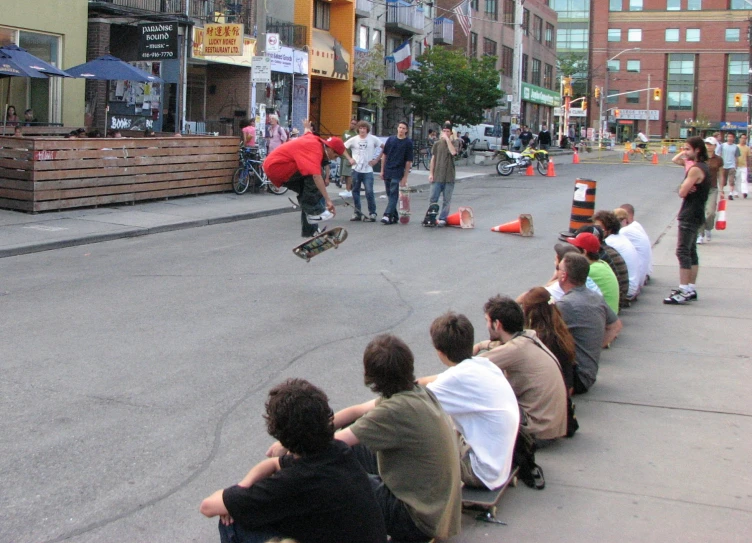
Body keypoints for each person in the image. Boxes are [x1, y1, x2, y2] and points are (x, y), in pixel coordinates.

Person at [276, 335, 461, 542]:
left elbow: (328, 446)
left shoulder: (394, 411)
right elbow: (357, 411)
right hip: (438, 509)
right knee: (347, 446)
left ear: (371, 377)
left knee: (339, 476)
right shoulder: (414, 393)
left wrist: (289, 447)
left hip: (419, 521)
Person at [200, 379, 387, 543]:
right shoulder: (337, 450)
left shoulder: (294, 482)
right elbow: (273, 464)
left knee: (234, 523)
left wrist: (235, 500)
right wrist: (242, 489)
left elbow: (208, 506)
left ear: (279, 434)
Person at [416, 312, 519, 490]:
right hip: (500, 463)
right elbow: (437, 380)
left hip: (481, 472)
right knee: (449, 418)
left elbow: (409, 405)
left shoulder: (455, 379)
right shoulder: (483, 365)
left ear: (439, 352)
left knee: (423, 428)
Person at [474, 296, 567, 441]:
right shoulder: (529, 337)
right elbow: (502, 346)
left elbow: (468, 370)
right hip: (552, 426)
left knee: (481, 397)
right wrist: (481, 345)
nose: (486, 325)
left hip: (536, 431)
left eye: (487, 321)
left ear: (497, 324)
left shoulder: (515, 350)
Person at [557, 253, 622, 393]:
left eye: (558, 268)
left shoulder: (566, 305)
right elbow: (615, 326)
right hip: (589, 373)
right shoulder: (595, 297)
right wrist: (593, 348)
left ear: (564, 276)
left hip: (575, 378)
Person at [263, 129, 345, 237]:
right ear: (330, 149)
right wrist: (328, 200)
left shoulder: (315, 140)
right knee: (317, 176)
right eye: (335, 156)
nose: (333, 159)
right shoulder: (315, 151)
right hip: (279, 168)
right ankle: (314, 213)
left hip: (275, 167)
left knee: (307, 193)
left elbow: (308, 133)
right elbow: (316, 177)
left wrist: (307, 127)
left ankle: (310, 231)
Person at [663, 136, 710, 305]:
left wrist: (684, 187)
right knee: (691, 251)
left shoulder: (696, 169)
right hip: (697, 212)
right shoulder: (705, 166)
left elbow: (682, 192)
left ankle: (683, 289)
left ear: (697, 150)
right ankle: (690, 287)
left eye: (688, 149)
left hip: (689, 213)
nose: (685, 152)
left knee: (682, 251)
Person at [518, 287, 577, 394]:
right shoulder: (561, 332)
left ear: (531, 312)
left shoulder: (537, 339)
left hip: (548, 395)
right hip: (565, 390)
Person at [593, 209, 644, 300]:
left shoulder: (610, 242)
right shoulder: (619, 238)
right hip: (631, 286)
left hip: (626, 291)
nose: (596, 231)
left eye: (600, 228)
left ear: (609, 229)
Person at [565, 232, 620, 315]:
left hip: (603, 317)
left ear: (584, 252)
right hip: (609, 313)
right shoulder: (601, 263)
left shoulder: (590, 270)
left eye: (574, 249)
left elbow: (562, 286)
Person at [343, 120, 383, 222]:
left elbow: (384, 147)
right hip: (356, 169)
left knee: (369, 191)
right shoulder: (354, 139)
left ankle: (372, 213)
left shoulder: (373, 139)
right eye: (360, 128)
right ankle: (357, 212)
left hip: (368, 170)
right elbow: (342, 148)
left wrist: (376, 160)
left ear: (367, 129)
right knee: (355, 191)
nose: (362, 130)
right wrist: (349, 158)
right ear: (358, 129)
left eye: (364, 128)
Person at [380, 120, 413, 225]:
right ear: (397, 128)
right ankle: (394, 216)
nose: (401, 130)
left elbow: (408, 161)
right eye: (400, 127)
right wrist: (382, 170)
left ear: (406, 130)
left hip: (398, 170)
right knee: (389, 194)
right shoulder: (391, 140)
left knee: (394, 192)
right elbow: (384, 155)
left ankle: (387, 214)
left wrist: (405, 177)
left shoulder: (408, 143)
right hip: (388, 169)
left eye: (403, 128)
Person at [427, 121, 458, 226]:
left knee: (447, 199)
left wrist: (448, 140)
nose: (445, 133)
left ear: (451, 133)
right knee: (433, 198)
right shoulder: (437, 144)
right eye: (444, 131)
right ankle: (431, 217)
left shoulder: (455, 142)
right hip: (437, 175)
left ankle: (443, 218)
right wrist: (431, 173)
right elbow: (433, 159)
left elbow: (454, 152)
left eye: (447, 131)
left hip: (449, 176)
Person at [613, 207, 651, 287]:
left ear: (624, 221)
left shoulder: (624, 231)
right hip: (641, 277)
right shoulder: (635, 226)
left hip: (634, 283)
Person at [338, 118, 358, 197]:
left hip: (350, 156)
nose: (352, 125)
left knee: (348, 174)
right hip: (343, 155)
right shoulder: (345, 132)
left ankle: (348, 189)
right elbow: (341, 143)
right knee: (344, 173)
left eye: (354, 124)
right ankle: (347, 189)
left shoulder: (356, 135)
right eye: (351, 123)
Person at [718, 132, 739, 200]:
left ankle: (730, 194)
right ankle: (722, 192)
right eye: (728, 137)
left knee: (731, 180)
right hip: (723, 166)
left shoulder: (736, 147)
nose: (729, 138)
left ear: (733, 138)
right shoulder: (722, 145)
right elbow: (720, 155)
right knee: (723, 181)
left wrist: (736, 166)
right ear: (726, 138)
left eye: (731, 137)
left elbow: (736, 157)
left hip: (731, 166)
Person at [735, 133, 749, 199]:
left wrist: (749, 166)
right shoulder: (736, 147)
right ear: (740, 139)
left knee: (744, 179)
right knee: (737, 180)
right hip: (737, 166)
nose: (743, 140)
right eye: (742, 138)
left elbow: (749, 157)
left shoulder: (747, 148)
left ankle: (744, 192)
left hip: (744, 166)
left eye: (745, 138)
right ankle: (735, 193)